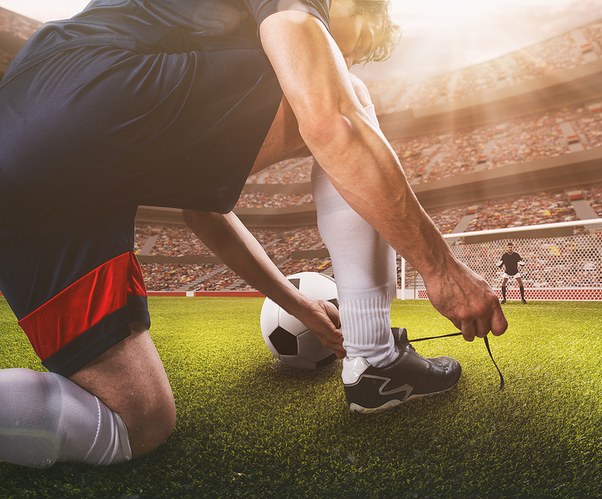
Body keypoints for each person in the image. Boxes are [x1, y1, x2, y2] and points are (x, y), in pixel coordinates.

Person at [0, 0, 507, 468]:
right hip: (78, 88)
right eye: (340, 39)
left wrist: (297, 303)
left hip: (39, 175)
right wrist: (440, 268)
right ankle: (377, 360)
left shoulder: (194, 50)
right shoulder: (293, 13)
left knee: (138, 423)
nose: (339, 56)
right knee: (344, 99)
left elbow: (203, 213)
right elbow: (332, 122)